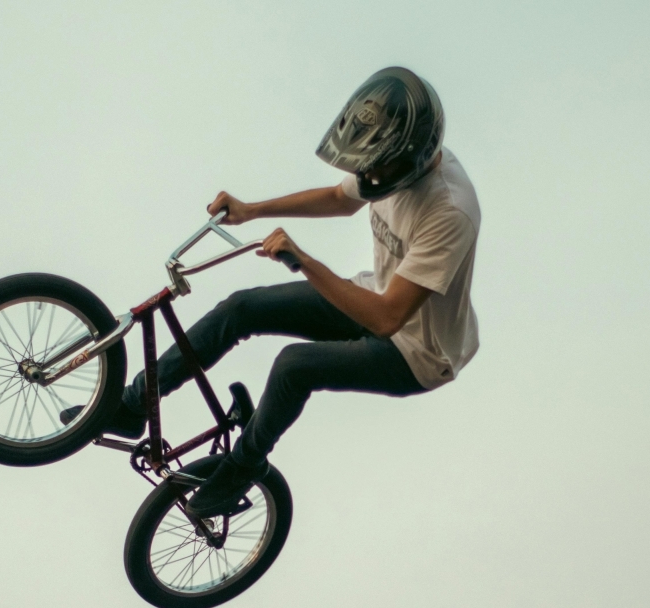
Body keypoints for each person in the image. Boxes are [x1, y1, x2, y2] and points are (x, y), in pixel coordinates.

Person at [63, 66, 481, 518]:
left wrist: (303, 261)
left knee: (294, 367)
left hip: (417, 352)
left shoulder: (449, 211)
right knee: (241, 308)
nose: (368, 175)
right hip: (372, 296)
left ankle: (243, 466)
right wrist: (251, 210)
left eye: (375, 167)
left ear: (412, 157)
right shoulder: (388, 159)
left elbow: (386, 319)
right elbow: (339, 199)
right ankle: (133, 406)